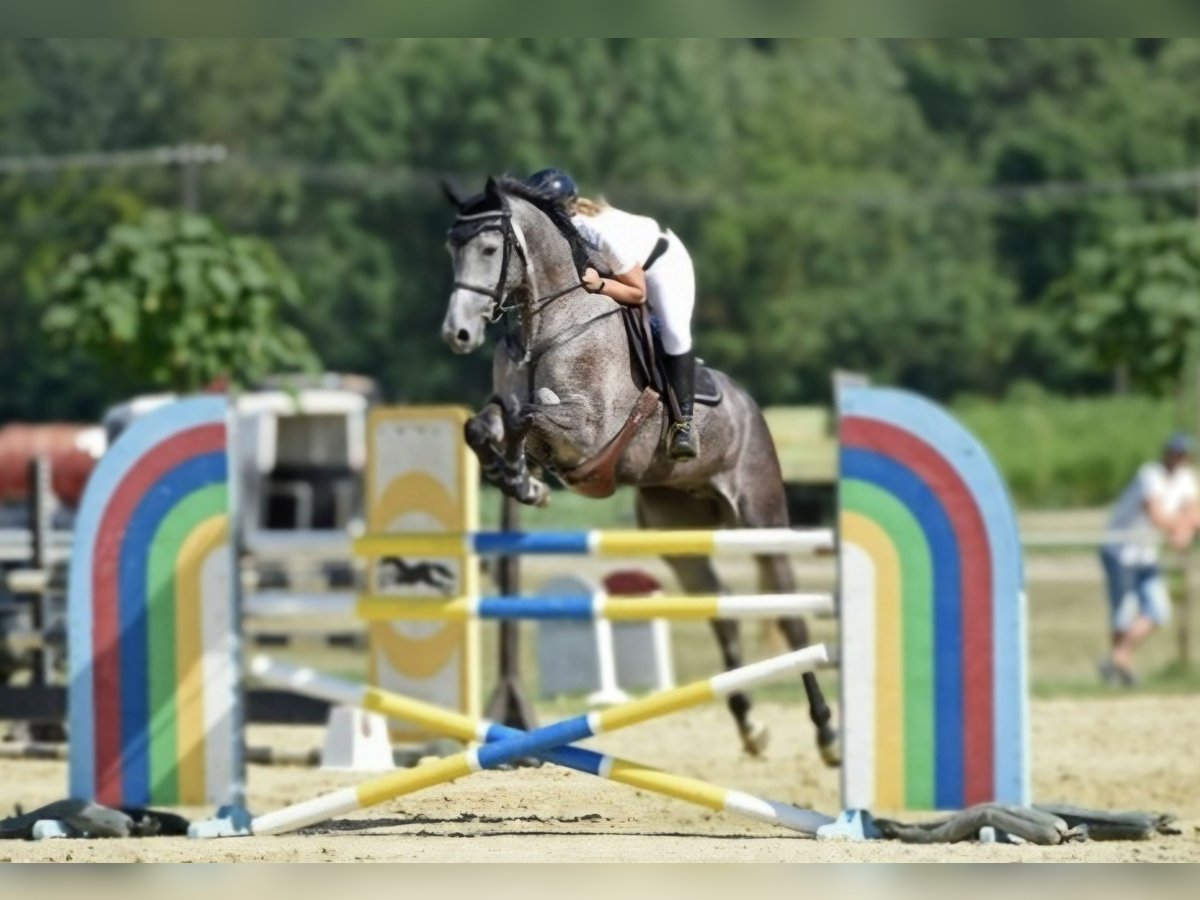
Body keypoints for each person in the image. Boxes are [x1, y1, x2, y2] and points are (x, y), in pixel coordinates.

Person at [525, 168, 699, 460]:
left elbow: (637, 293)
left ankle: (683, 425)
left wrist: (601, 285)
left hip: (661, 264)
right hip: (615, 267)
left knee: (673, 333)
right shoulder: (557, 231)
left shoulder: (597, 233)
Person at [1099, 433, 1200, 685]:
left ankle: (1117, 658)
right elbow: (1155, 513)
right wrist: (1180, 529)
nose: (1179, 458)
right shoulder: (1150, 475)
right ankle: (1120, 668)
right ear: (1166, 452)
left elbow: (1194, 511)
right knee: (1123, 613)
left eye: (1184, 454)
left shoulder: (1186, 478)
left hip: (1146, 554)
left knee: (1158, 610)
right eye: (1176, 452)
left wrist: (1184, 529)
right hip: (1120, 551)